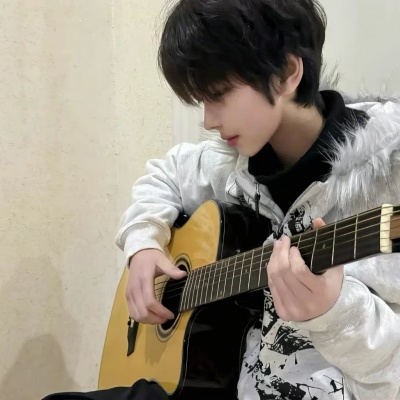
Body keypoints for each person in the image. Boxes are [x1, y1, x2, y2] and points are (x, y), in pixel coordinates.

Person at [43, 0, 400, 399]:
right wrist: (143, 244)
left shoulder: (389, 176)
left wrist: (336, 312)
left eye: (218, 95)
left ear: (286, 73)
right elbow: (165, 173)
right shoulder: (236, 164)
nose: (208, 120)